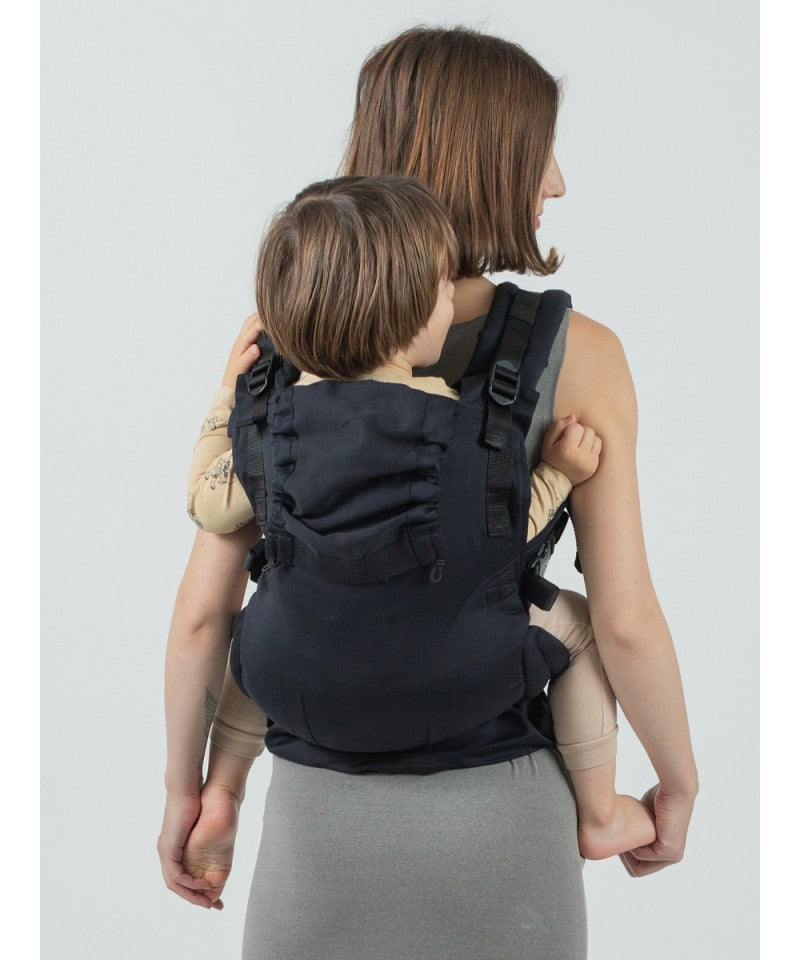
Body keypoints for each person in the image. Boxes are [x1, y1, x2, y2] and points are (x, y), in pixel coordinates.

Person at [158, 25, 698, 960]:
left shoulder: (286, 332)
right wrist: (678, 783)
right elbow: (623, 621)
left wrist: (194, 790)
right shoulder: (581, 356)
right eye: (539, 152)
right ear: (485, 159)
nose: (557, 182)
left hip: (318, 832)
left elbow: (208, 615)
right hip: (506, 834)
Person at [185, 172, 656, 863]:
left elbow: (205, 500)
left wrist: (230, 392)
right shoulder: (453, 423)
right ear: (405, 315)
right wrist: (561, 473)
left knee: (265, 632)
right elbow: (502, 533)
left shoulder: (272, 427)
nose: (452, 300)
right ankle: (602, 811)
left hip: (302, 685)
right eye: (440, 289)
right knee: (582, 628)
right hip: (446, 683)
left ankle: (225, 788)